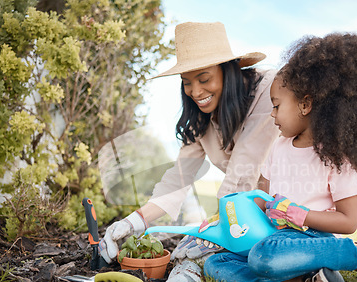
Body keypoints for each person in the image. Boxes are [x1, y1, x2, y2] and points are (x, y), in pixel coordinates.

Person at [204, 33, 357, 282]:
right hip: (274, 239)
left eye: (276, 106)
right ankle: (306, 281)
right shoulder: (278, 147)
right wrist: (224, 225)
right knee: (216, 264)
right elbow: (260, 200)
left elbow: (349, 221)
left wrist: (299, 215)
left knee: (264, 256)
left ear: (306, 104)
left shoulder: (336, 156)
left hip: (310, 239)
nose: (272, 114)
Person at [98, 22, 280, 264]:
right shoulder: (201, 117)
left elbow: (245, 166)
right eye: (187, 82)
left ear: (229, 71)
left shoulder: (267, 90)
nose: (195, 92)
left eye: (204, 79)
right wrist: (133, 221)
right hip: (243, 217)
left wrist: (215, 229)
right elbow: (178, 178)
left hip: (288, 208)